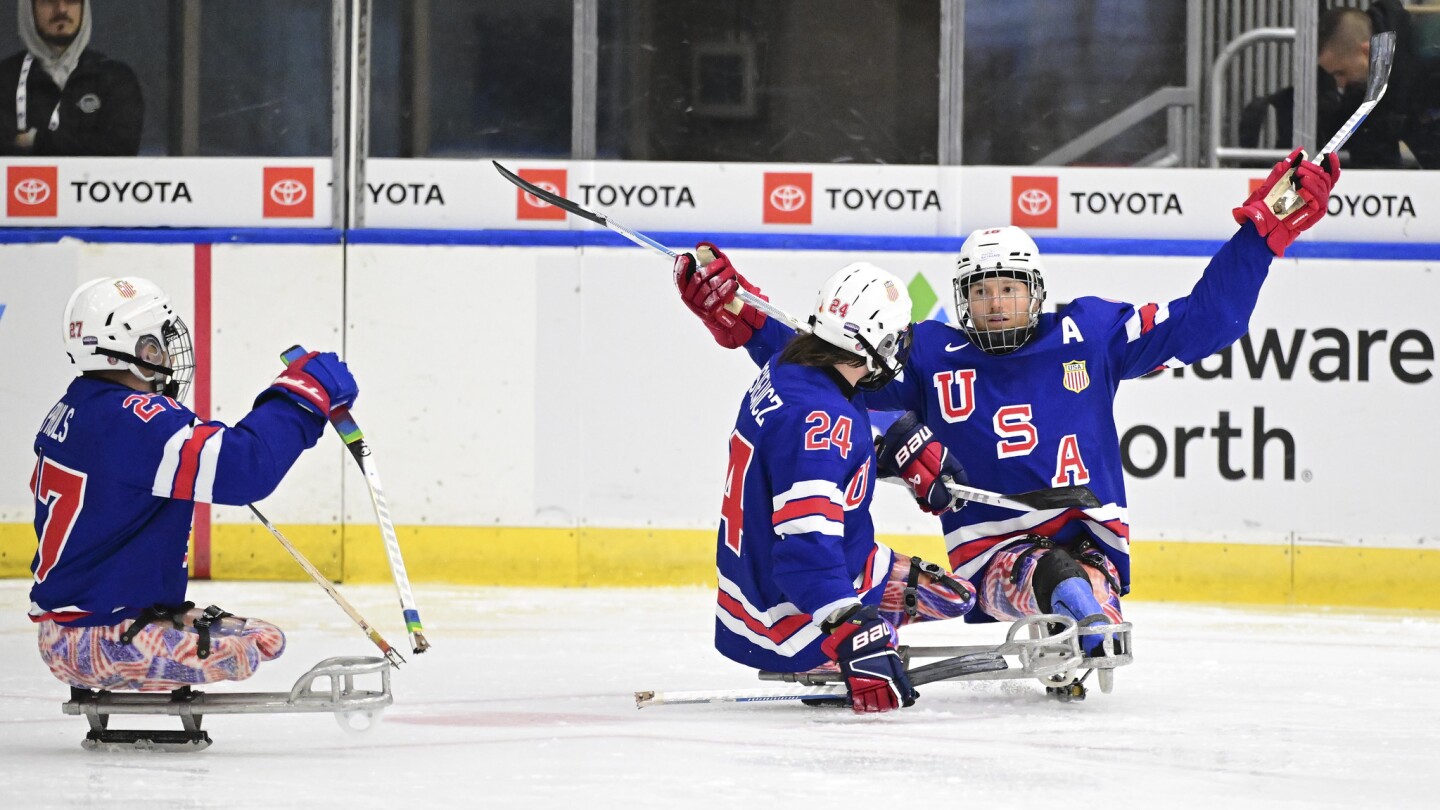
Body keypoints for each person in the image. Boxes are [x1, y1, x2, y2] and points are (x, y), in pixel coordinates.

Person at [676, 148, 1340, 656]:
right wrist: (748, 319)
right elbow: (834, 372)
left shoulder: (1093, 335)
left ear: (1036, 291)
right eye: (982, 292)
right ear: (963, 299)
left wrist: (1262, 237)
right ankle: (862, 632)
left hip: (1090, 537)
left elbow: (1208, 322)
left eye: (1009, 290)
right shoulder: (929, 353)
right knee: (1047, 577)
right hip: (994, 553)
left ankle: (1077, 613)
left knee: (1059, 587)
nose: (996, 305)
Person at [30, 276, 356, 693]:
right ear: (141, 352)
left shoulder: (78, 405)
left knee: (256, 634)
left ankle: (143, 611)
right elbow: (245, 469)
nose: (168, 351)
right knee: (251, 648)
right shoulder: (133, 420)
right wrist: (302, 398)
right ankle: (128, 629)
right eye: (160, 341)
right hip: (103, 641)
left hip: (68, 631)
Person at [702, 260, 977, 713]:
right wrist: (851, 627)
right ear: (879, 344)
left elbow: (808, 459)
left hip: (761, 581)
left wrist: (889, 453)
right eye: (899, 337)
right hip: (784, 615)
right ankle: (825, 654)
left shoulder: (789, 367)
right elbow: (805, 548)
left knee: (954, 596)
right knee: (947, 599)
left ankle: (854, 611)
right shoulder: (826, 424)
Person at [1240, 3, 1437, 169]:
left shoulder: (1425, 63)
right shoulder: (1368, 86)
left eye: (1340, 72)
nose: (1340, 83)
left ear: (1367, 52)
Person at [0, 0, 142, 156]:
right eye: (49, 2)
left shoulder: (115, 78)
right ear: (29, 9)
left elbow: (121, 148)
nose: (61, 9)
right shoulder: (5, 78)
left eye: (72, 1)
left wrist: (36, 140)